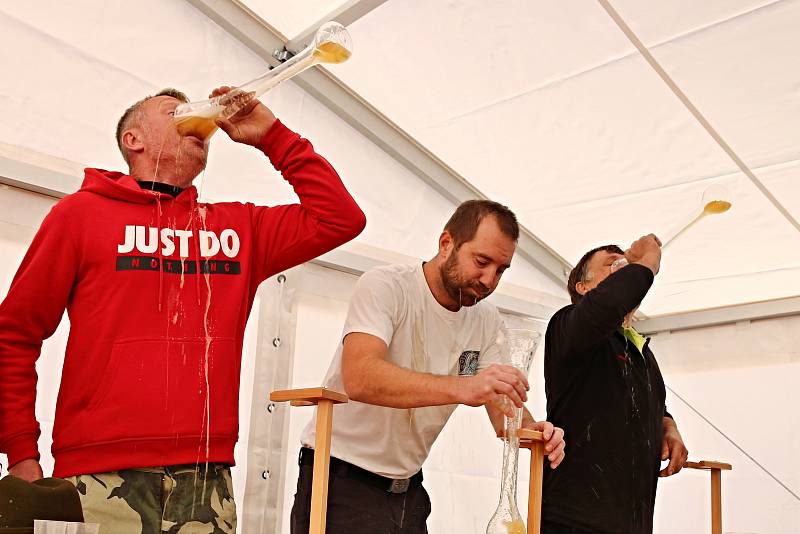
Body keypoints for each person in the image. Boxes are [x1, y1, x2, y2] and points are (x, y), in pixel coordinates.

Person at [0, 86, 366, 531]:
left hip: (205, 477)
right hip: (97, 473)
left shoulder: (238, 228)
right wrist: (20, 452)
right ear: (133, 139)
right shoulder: (80, 214)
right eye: (174, 111)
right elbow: (14, 334)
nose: (195, 118)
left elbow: (341, 218)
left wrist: (271, 135)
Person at [290, 200, 566, 534]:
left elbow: (503, 413)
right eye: (482, 261)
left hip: (409, 492)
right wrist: (463, 386)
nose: (489, 280)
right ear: (446, 243)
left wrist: (536, 432)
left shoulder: (486, 321)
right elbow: (360, 377)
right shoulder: (387, 286)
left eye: (501, 270)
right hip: (340, 480)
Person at [541, 235, 688, 534]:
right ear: (583, 288)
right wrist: (646, 262)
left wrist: (667, 425)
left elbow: (640, 402)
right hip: (573, 524)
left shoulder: (642, 352)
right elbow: (606, 304)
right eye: (612, 264)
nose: (624, 269)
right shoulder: (569, 325)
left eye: (626, 264)